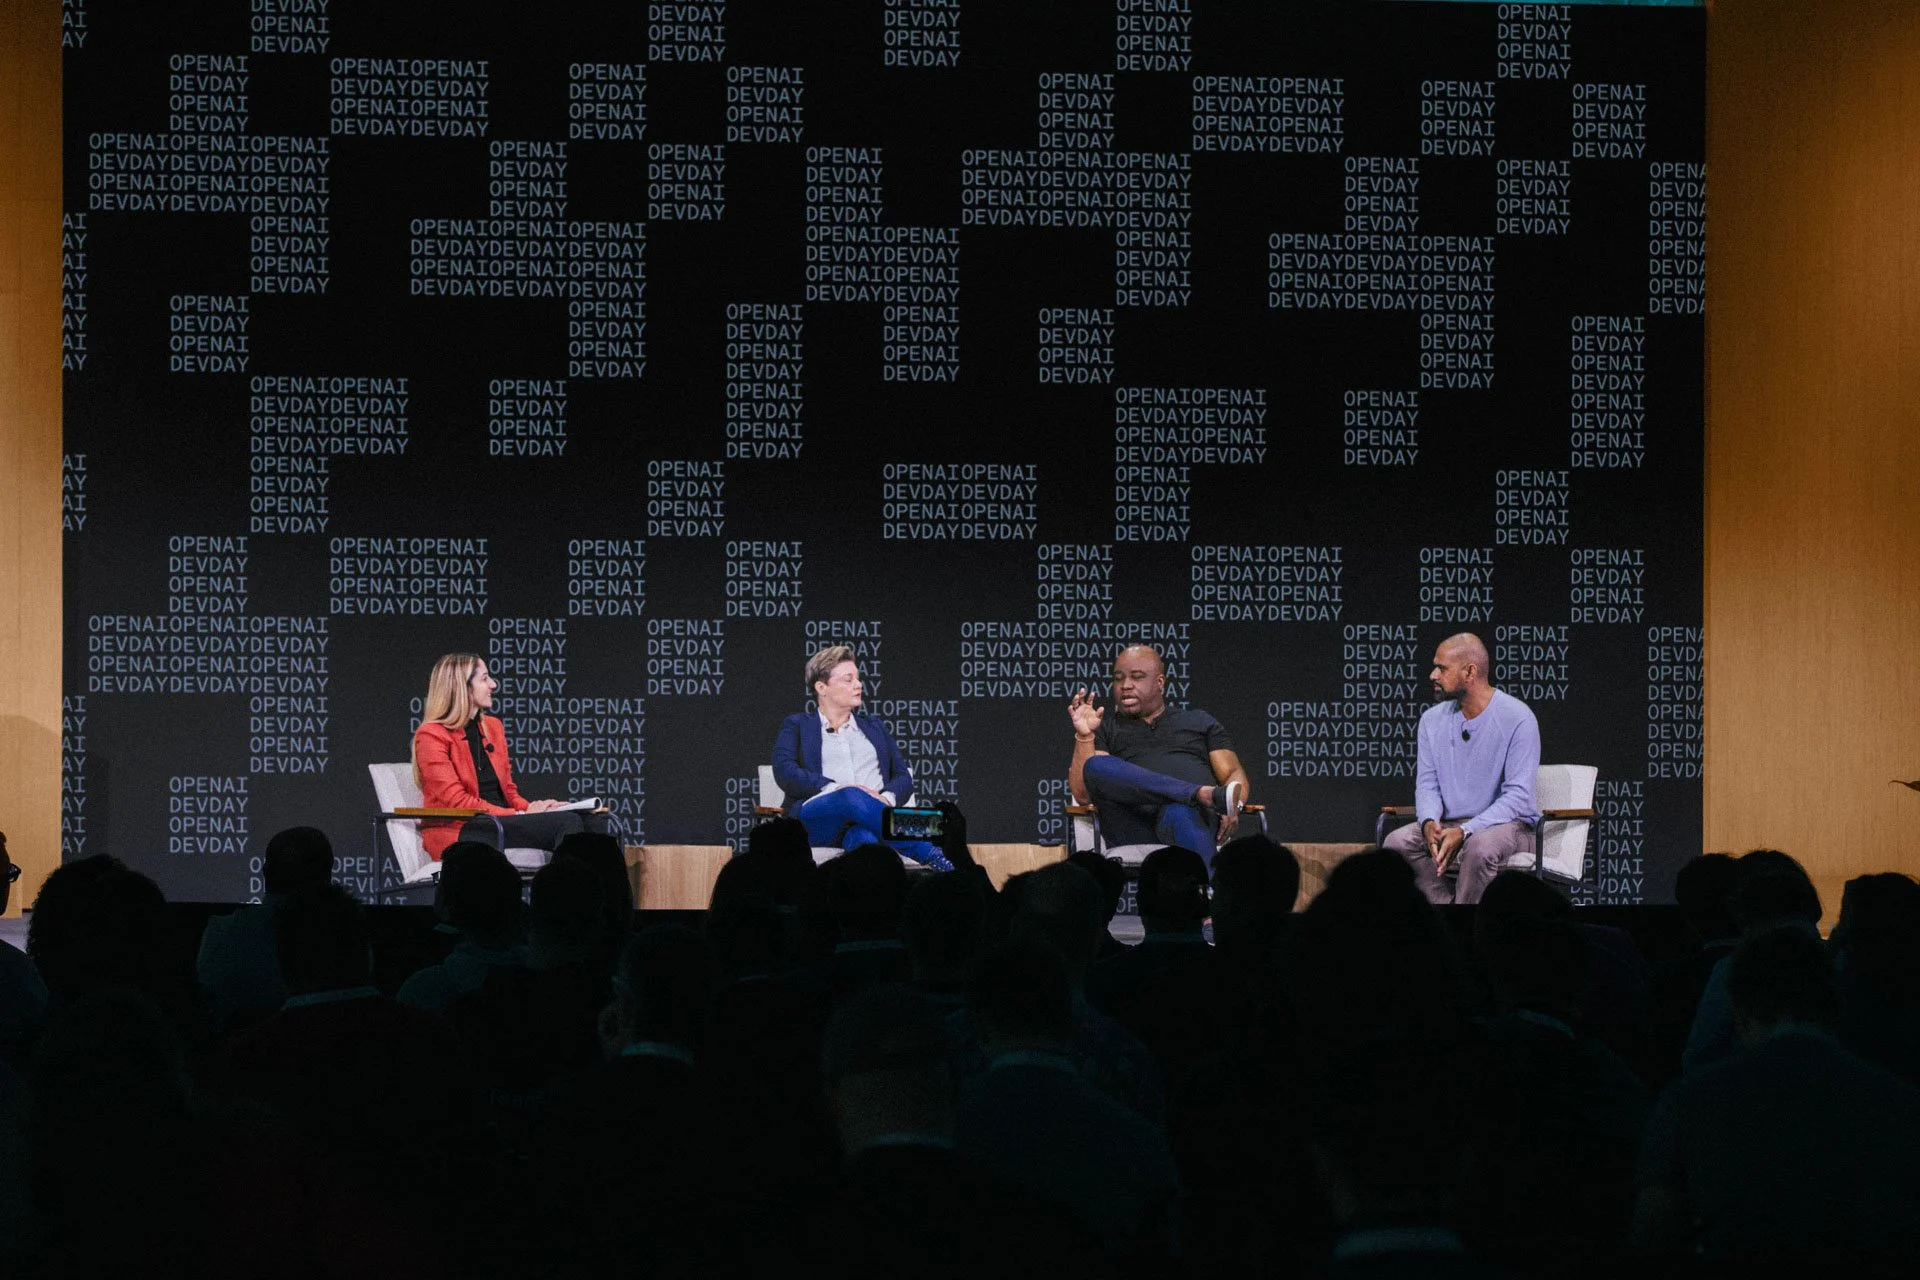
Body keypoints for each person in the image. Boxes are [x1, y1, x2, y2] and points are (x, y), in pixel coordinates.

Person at [1381, 633, 1540, 905]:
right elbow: (1428, 784)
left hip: (1508, 827)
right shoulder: (1431, 721)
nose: (1433, 675)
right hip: (1451, 824)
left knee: (1480, 847)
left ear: (1470, 672)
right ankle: (1448, 915)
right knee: (1396, 844)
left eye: (1441, 668)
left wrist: (1466, 830)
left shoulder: (1518, 717)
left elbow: (1517, 797)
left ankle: (1466, 929)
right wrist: (1429, 821)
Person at [410, 652, 607, 860]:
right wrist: (520, 815)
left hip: (501, 822)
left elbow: (508, 794)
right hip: (462, 829)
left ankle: (596, 893)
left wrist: (536, 808)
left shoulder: (492, 727)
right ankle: (562, 891)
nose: (493, 685)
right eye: (485, 679)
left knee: (594, 821)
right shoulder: (432, 735)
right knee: (567, 823)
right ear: (463, 688)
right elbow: (457, 802)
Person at [771, 645, 951, 870]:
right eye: (848, 679)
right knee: (851, 796)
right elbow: (784, 769)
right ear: (821, 687)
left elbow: (903, 776)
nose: (858, 684)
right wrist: (834, 788)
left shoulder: (874, 727)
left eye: (858, 678)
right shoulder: (797, 725)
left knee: (864, 839)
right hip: (819, 819)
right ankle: (930, 851)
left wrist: (885, 799)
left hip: (871, 819)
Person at [1067, 644, 1250, 861]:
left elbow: (1234, 775)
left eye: (1137, 677)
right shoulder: (1106, 729)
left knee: (1180, 811)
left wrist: (1234, 806)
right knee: (1095, 766)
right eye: (1118, 678)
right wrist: (1085, 735)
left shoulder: (1198, 722)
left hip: (1190, 818)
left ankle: (1208, 891)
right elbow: (1083, 794)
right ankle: (1198, 793)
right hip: (1133, 824)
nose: (1125, 685)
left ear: (1160, 682)